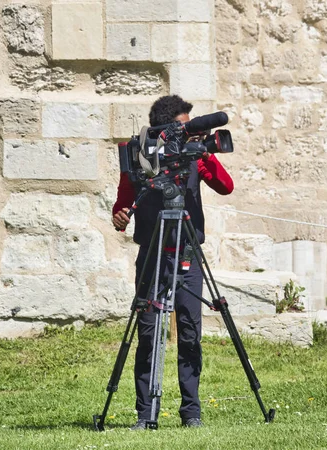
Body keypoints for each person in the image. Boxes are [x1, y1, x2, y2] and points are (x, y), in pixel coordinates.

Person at [112, 95, 234, 429]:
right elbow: (122, 204)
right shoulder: (140, 158)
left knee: (191, 332)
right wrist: (119, 216)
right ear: (165, 129)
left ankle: (191, 412)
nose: (189, 133)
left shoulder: (196, 157)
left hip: (188, 255)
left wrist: (206, 153)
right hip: (153, 252)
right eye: (183, 126)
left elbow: (226, 186)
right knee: (149, 334)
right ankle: (145, 414)